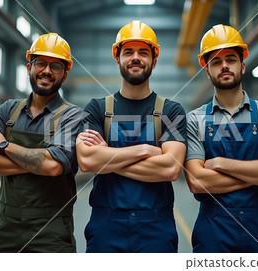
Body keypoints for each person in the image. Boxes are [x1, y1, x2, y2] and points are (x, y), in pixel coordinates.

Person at [76, 20, 187, 253]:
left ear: (154, 61)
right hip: (106, 226)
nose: (135, 58)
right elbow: (86, 161)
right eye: (128, 52)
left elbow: (171, 169)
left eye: (143, 52)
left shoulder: (171, 110)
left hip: (156, 227)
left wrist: (106, 159)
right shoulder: (97, 109)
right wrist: (145, 150)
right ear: (118, 59)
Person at [184, 24, 258, 253]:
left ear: (242, 66)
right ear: (208, 71)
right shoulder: (194, 120)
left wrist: (223, 165)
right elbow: (197, 182)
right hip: (213, 231)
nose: (224, 65)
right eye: (215, 61)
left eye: (230, 59)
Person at [0, 33, 81, 253]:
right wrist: (38, 162)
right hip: (7, 229)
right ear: (29, 67)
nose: (46, 71)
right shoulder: (8, 111)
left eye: (55, 66)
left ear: (65, 73)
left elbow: (53, 167)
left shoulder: (71, 116)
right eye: (40, 63)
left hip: (52, 231)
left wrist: (5, 147)